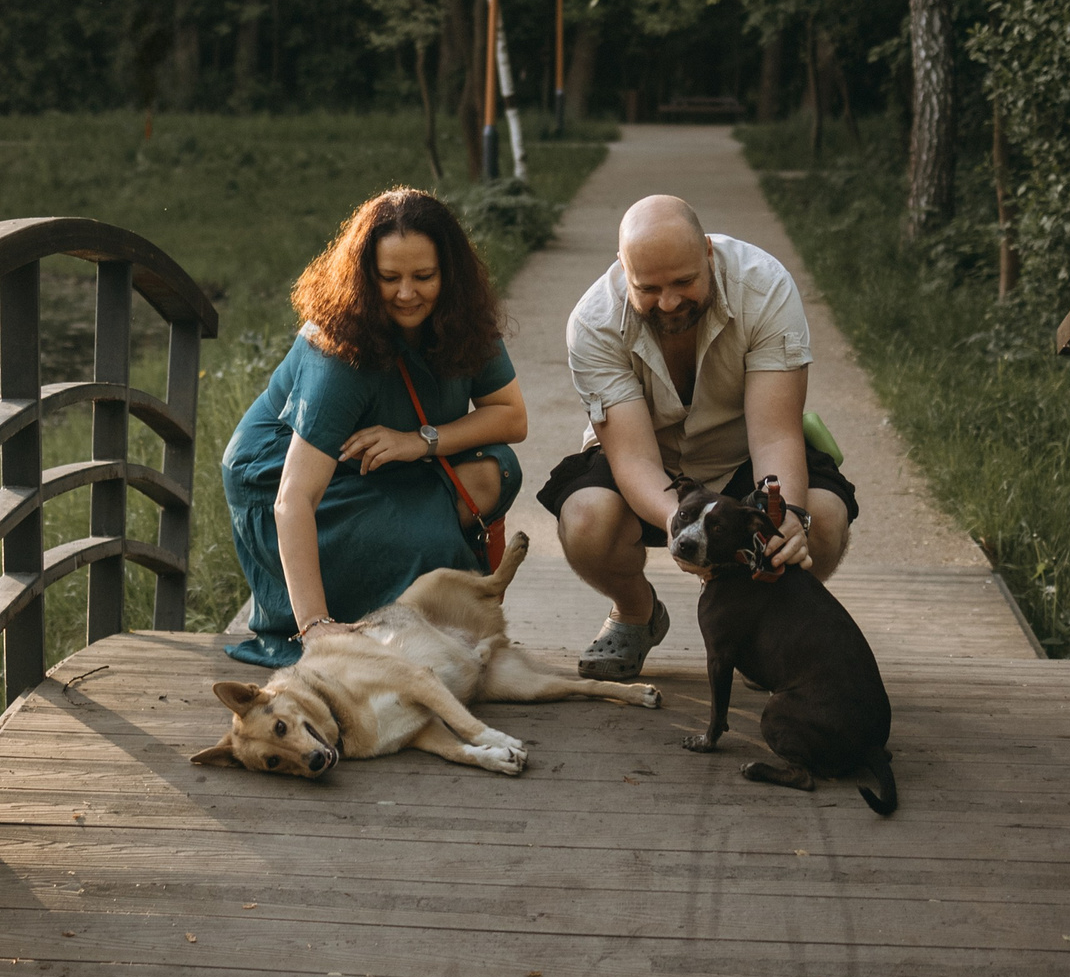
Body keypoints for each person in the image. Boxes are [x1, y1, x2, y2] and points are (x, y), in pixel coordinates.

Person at [534, 194, 859, 679]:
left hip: (744, 451)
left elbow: (774, 435)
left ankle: (763, 623)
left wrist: (786, 516)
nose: (668, 302)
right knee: (584, 521)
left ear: (708, 252)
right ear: (623, 270)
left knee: (823, 518)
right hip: (654, 465)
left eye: (684, 282)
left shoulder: (764, 287)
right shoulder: (593, 322)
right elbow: (635, 461)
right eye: (649, 288)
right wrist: (682, 525)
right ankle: (635, 611)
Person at [220, 188, 529, 668]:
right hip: (280, 477)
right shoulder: (341, 352)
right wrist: (315, 628)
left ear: (450, 275)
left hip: (378, 458)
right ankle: (410, 597)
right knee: (429, 540)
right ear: (365, 277)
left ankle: (421, 585)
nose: (407, 294)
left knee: (496, 468)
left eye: (423, 276)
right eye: (389, 278)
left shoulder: (462, 319)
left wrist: (418, 442)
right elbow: (292, 499)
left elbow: (511, 417)